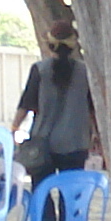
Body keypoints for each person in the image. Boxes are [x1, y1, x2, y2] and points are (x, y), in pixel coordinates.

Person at [14, 28, 97, 177]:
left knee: (41, 192)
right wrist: (96, 134)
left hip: (42, 144)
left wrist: (14, 128)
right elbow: (92, 108)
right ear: (73, 46)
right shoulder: (85, 72)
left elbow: (26, 104)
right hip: (76, 142)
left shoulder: (39, 69)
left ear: (50, 45)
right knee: (71, 193)